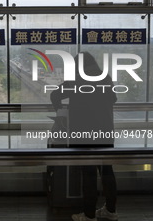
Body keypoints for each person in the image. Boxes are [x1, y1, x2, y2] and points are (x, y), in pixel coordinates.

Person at [50, 52, 118, 221]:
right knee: (107, 171)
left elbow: (55, 95)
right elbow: (114, 99)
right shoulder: (105, 77)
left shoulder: (77, 80)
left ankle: (89, 215)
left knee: (88, 173)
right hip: (105, 132)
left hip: (83, 133)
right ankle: (110, 211)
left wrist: (61, 109)